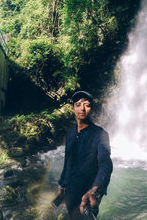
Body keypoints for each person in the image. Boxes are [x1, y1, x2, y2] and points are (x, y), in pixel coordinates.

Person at [56, 90, 113, 219]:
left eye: (87, 105)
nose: (82, 108)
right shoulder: (70, 133)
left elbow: (106, 165)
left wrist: (94, 190)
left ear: (91, 109)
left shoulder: (100, 134)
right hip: (71, 188)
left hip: (89, 190)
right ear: (73, 109)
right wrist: (61, 185)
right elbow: (68, 162)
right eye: (78, 104)